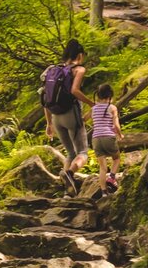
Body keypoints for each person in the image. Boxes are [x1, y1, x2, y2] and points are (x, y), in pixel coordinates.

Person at [43, 39, 93, 195]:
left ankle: (67, 191)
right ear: (79, 55)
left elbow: (45, 98)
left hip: (56, 117)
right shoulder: (79, 70)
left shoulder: (52, 70)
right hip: (71, 114)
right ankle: (69, 174)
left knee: (70, 153)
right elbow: (74, 91)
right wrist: (92, 103)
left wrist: (48, 123)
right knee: (83, 153)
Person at [91, 84, 123, 195]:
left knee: (103, 167)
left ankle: (104, 192)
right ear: (110, 96)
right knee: (117, 158)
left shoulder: (93, 108)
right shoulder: (112, 108)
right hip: (108, 137)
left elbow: (84, 120)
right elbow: (116, 126)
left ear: (98, 96)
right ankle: (112, 177)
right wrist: (120, 135)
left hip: (95, 139)